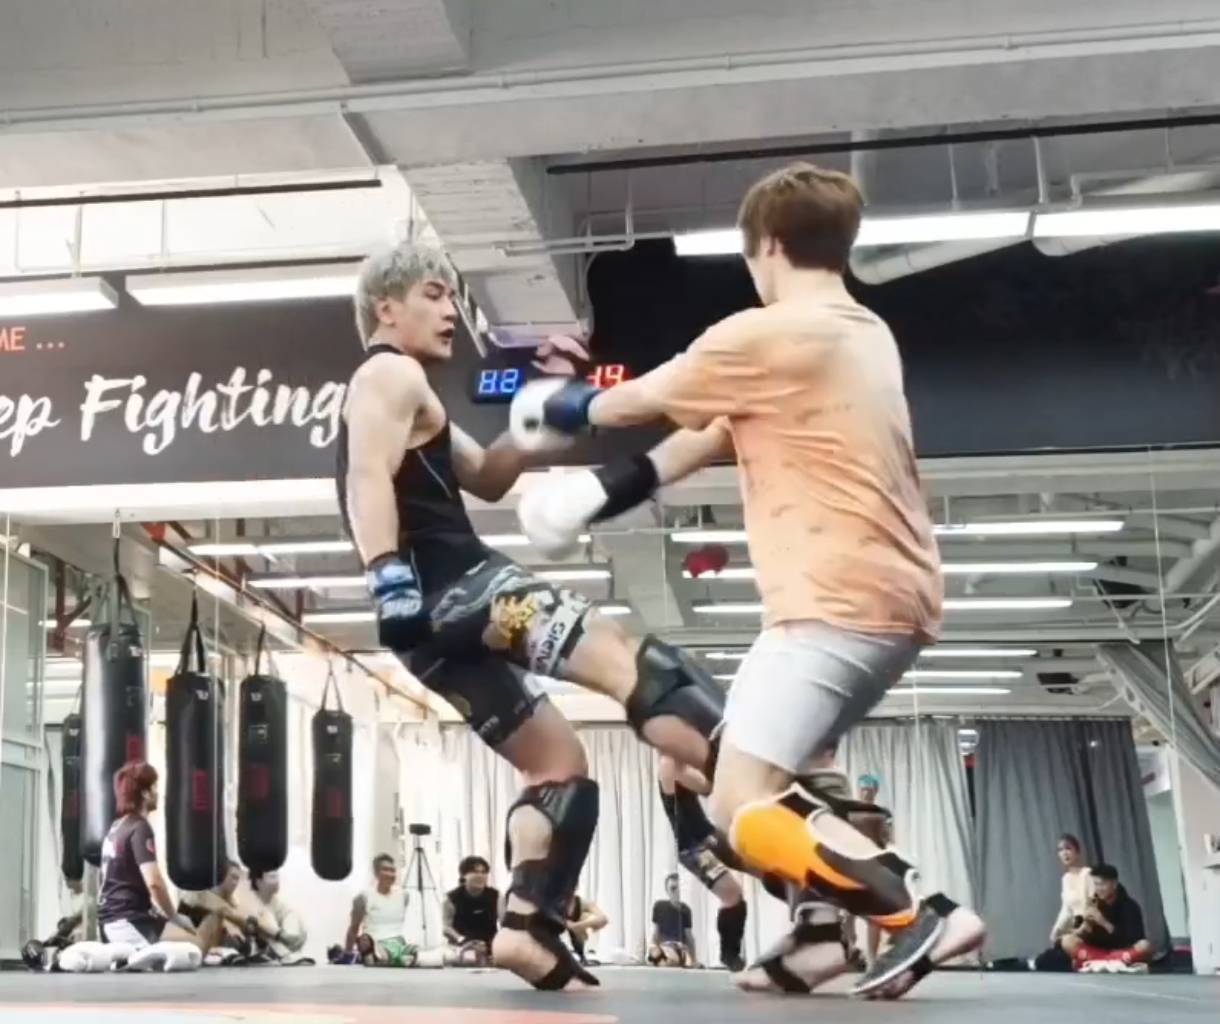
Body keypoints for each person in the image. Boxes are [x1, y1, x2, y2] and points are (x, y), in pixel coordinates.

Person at [510, 160, 987, 999]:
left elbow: (639, 400)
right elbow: (707, 437)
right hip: (897, 601)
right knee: (795, 775)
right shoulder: (862, 334)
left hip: (830, 605)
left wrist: (552, 405)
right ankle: (817, 940)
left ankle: (918, 908)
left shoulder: (766, 333)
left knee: (738, 802)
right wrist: (594, 494)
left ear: (765, 244)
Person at [337, 241, 730, 990]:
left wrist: (540, 408)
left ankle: (522, 927)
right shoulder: (389, 373)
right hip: (465, 589)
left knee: (558, 768)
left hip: (430, 634)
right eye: (434, 294)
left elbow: (487, 477)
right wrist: (386, 574)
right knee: (635, 663)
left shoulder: (411, 397)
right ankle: (762, 786)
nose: (451, 312)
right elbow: (366, 477)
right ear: (386, 308)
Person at [96, 761, 218, 951]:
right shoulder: (139, 827)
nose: (158, 793)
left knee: (188, 935)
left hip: (114, 921)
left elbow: (105, 879)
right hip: (130, 922)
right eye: (155, 787)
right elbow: (154, 882)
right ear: (145, 793)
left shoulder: (116, 827)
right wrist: (174, 917)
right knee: (197, 947)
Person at [658, 755, 748, 971]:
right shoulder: (668, 763)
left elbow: (706, 787)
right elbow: (704, 786)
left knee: (746, 882)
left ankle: (731, 953)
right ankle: (729, 954)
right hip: (693, 846)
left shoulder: (678, 763)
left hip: (706, 836)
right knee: (732, 894)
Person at [1061, 864, 1153, 973]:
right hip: (1098, 952)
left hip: (1121, 951)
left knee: (1145, 946)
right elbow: (1087, 939)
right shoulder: (1094, 903)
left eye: (1102, 884)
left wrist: (1103, 922)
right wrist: (1085, 927)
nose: (1098, 889)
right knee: (1067, 940)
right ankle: (1110, 962)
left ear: (1114, 884)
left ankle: (1093, 962)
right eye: (1096, 884)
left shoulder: (1130, 906)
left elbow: (1132, 939)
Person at [345, 854, 410, 956]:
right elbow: (354, 928)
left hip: (397, 946)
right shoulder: (363, 897)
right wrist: (347, 953)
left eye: (392, 870)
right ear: (376, 873)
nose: (390, 874)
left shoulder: (404, 895)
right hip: (373, 948)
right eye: (385, 870)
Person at [443, 855, 499, 956]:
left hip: (489, 947)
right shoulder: (451, 898)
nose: (480, 876)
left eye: (484, 872)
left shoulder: (496, 896)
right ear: (464, 875)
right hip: (461, 947)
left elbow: (504, 924)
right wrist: (462, 940)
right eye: (475, 872)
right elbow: (446, 928)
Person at [248, 868, 308, 959]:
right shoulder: (249, 900)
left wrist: (297, 936)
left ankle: (288, 954)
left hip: (277, 948)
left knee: (292, 916)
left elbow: (294, 927)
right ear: (258, 882)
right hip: (255, 947)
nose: (277, 881)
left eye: (277, 876)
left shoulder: (279, 904)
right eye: (272, 877)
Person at [649, 873, 698, 967]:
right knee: (657, 954)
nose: (677, 892)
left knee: (670, 957)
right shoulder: (659, 906)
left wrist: (694, 960)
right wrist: (653, 948)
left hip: (679, 949)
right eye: (673, 888)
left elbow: (689, 938)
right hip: (664, 948)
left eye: (679, 888)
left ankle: (667, 961)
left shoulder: (685, 910)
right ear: (667, 891)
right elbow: (655, 933)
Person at [565, 893, 608, 965]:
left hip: (578, 937)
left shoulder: (583, 902)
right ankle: (568, 953)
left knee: (590, 918)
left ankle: (588, 952)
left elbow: (603, 919)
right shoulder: (553, 903)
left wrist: (577, 926)